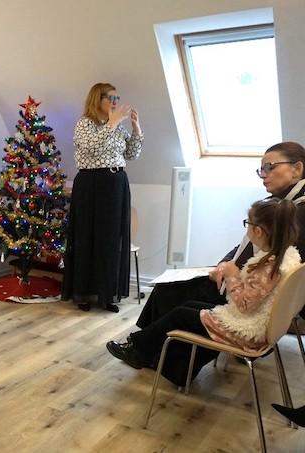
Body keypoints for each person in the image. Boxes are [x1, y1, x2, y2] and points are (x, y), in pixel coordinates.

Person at [107, 198, 301, 386]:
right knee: (188, 306)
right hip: (250, 322)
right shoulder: (283, 257)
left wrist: (232, 276)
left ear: (258, 231)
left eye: (247, 224)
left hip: (246, 330)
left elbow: (244, 305)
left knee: (180, 315)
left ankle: (138, 350)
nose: (246, 228)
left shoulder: (269, 267)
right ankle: (147, 352)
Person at [136, 142, 305, 328]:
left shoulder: (296, 213)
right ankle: (145, 339)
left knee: (167, 290)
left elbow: (268, 268)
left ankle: (149, 342)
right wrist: (224, 264)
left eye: (270, 167)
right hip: (239, 279)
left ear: (297, 169)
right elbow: (247, 246)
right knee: (172, 285)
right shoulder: (281, 205)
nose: (264, 175)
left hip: (245, 294)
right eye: (262, 169)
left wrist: (230, 274)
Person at [61, 82, 143, 312]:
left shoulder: (118, 127)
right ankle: (83, 292)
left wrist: (136, 129)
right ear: (98, 99)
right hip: (91, 185)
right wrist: (112, 123)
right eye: (111, 98)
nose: (116, 103)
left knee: (111, 240)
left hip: (116, 185)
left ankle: (107, 294)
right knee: (87, 237)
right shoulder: (85, 124)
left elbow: (131, 154)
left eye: (117, 98)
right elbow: (92, 148)